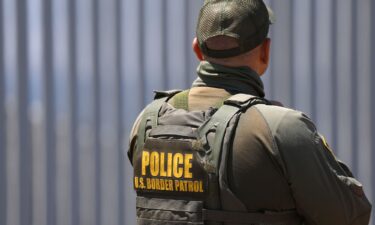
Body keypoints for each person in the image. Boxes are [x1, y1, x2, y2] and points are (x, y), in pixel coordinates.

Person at [127, 0, 372, 224]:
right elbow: (351, 215)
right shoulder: (280, 129)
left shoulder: (148, 121)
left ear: (198, 51)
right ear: (265, 51)